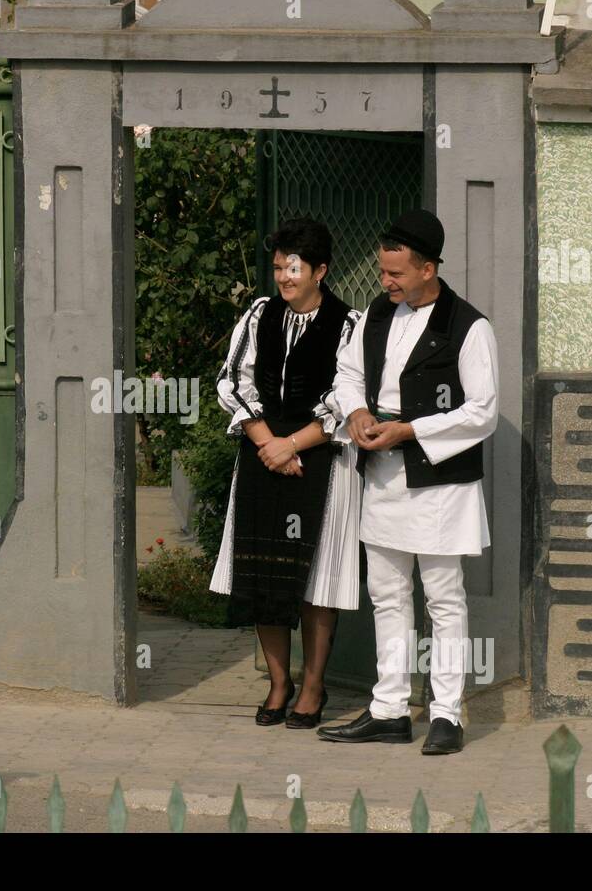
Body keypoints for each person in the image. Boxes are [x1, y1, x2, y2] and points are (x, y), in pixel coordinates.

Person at [317, 209, 499, 755]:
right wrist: (354, 412)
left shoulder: (468, 326)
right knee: (387, 595)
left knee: (443, 598)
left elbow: (483, 411)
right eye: (383, 272)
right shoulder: (376, 314)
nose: (386, 282)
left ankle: (446, 714)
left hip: (440, 482)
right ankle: (390, 709)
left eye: (397, 274)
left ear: (428, 268)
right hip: (383, 476)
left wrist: (410, 430)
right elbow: (347, 374)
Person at [209, 218, 363, 729]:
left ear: (320, 270)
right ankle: (280, 682)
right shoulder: (259, 315)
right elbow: (233, 380)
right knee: (262, 572)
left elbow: (347, 399)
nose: (283, 277)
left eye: (292, 267)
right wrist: (268, 444)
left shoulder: (349, 325)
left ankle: (314, 686)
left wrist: (293, 444)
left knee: (318, 579)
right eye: (277, 267)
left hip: (322, 461)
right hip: (262, 457)